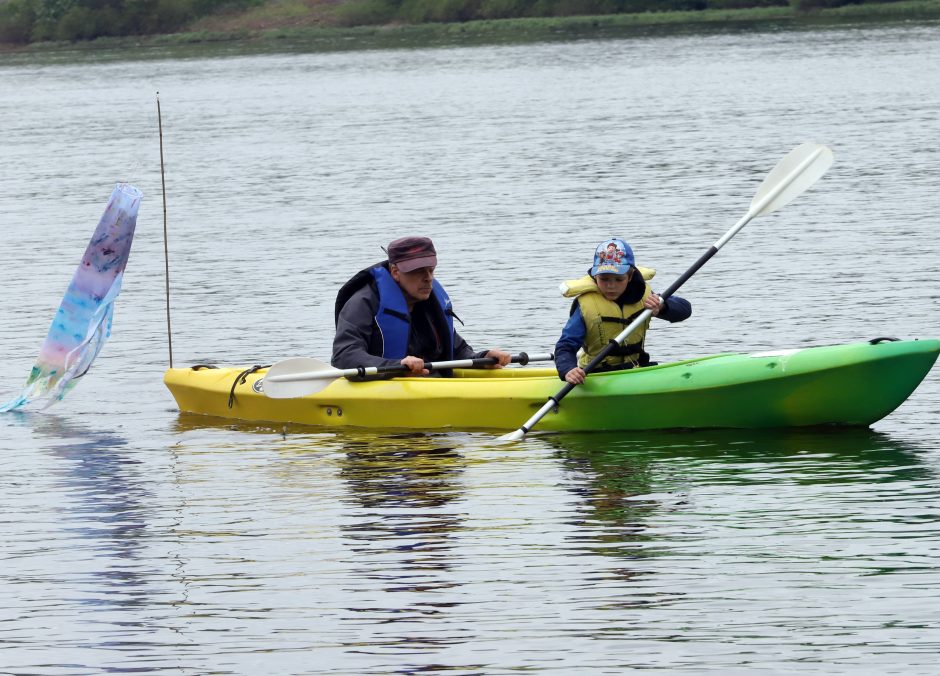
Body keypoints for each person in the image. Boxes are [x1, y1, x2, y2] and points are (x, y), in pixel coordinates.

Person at [332, 236, 511, 376]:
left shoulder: (431, 303)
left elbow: (457, 351)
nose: (428, 278)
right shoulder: (362, 303)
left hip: (428, 384)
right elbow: (344, 356)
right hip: (386, 386)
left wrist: (483, 357)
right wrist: (396, 366)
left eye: (430, 270)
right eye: (418, 271)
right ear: (395, 272)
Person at [555, 237, 691, 384]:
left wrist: (662, 306)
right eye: (604, 279)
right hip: (598, 375)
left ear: (630, 275)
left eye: (619, 279)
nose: (611, 286)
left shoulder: (643, 295)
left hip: (637, 368)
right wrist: (568, 369)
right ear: (595, 276)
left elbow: (685, 310)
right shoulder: (586, 305)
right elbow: (565, 345)